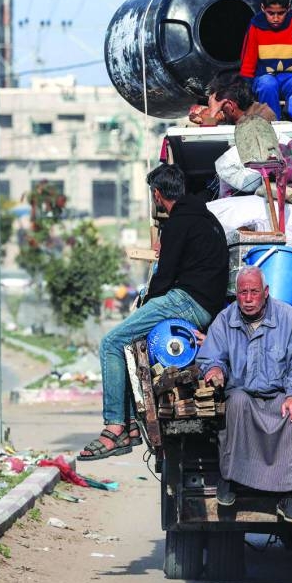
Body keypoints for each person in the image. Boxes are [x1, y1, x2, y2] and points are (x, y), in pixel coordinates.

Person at [80, 165, 227, 461]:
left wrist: (146, 305)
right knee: (134, 347)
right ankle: (133, 426)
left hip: (184, 301)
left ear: (157, 195)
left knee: (112, 342)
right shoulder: (207, 218)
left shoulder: (178, 223)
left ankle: (114, 427)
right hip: (205, 306)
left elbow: (164, 278)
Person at [197, 266, 292, 521]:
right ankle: (229, 481)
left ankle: (290, 496)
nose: (248, 299)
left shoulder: (290, 318)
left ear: (266, 292)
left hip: (279, 396)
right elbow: (210, 356)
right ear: (237, 294)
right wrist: (215, 369)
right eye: (243, 293)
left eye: (254, 292)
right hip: (243, 395)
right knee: (236, 403)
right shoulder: (225, 320)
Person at [189, 71, 276, 126]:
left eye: (222, 110)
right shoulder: (239, 111)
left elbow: (206, 140)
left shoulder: (263, 116)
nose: (221, 113)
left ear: (230, 106)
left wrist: (213, 112)